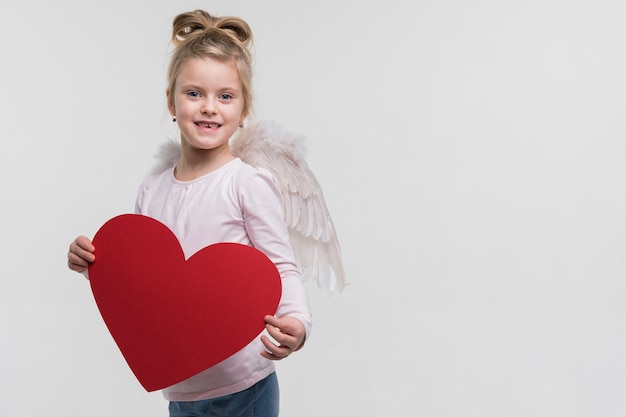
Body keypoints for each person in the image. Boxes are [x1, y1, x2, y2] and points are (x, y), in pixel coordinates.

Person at [67, 9, 312, 417]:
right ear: (171, 101)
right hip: (181, 390)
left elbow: (282, 266)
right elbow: (144, 284)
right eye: (194, 93)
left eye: (225, 96)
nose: (209, 108)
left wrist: (298, 324)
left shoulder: (246, 184)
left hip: (244, 387)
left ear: (244, 109)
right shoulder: (152, 190)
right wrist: (95, 262)